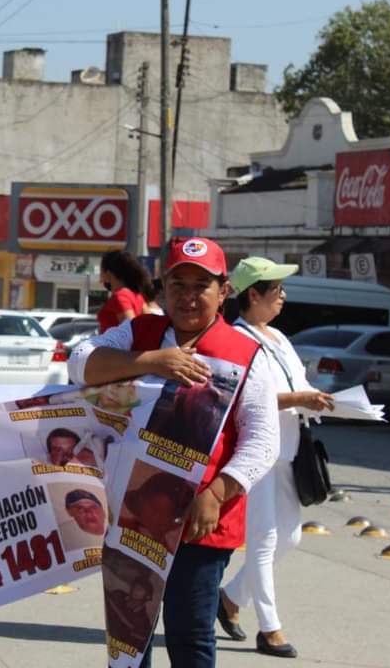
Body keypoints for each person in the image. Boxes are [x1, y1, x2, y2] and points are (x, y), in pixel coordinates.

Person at [69, 236, 279, 668]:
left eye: (200, 286)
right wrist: (150, 361)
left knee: (190, 637)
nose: (187, 296)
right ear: (163, 287)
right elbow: (79, 363)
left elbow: (262, 439)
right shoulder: (140, 332)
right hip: (132, 515)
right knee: (129, 637)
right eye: (177, 284)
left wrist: (218, 492)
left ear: (224, 292)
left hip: (200, 521)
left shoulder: (247, 354)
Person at [218, 257, 335, 659]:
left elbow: (298, 385)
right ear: (254, 294)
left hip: (289, 449)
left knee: (290, 535)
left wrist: (315, 399)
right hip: (256, 451)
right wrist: (298, 399)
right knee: (264, 539)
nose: (283, 297)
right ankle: (270, 629)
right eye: (276, 290)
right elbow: (239, 399)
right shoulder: (236, 340)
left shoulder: (279, 338)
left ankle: (231, 597)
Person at [121, 472, 194, 552]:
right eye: (152, 508)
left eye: (163, 515)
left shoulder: (165, 553)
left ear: (173, 523)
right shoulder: (118, 525)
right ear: (141, 502)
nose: (154, 518)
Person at [97, 250, 153, 333]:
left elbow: (131, 329)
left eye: (101, 269)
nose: (100, 274)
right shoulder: (137, 295)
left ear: (108, 273)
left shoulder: (121, 296)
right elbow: (151, 323)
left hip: (115, 345)